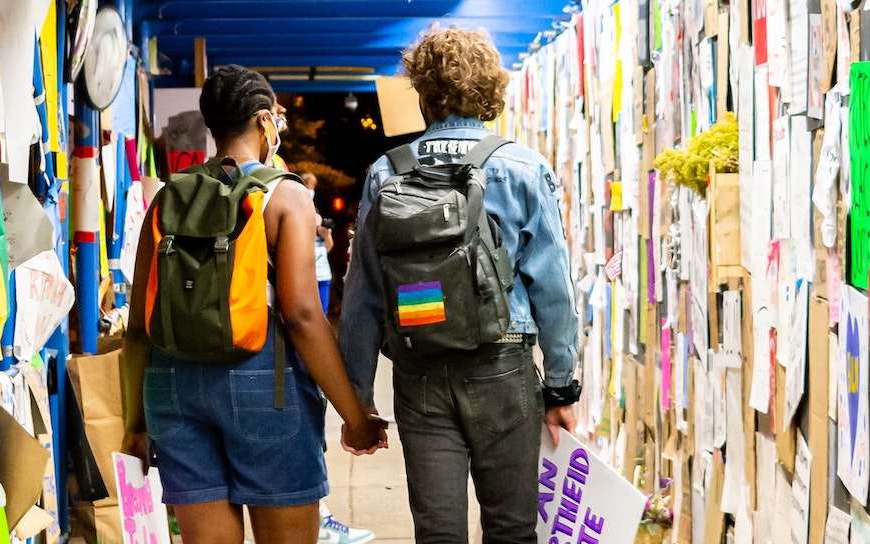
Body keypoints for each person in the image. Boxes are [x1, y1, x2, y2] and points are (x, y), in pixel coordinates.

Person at [121, 64, 387, 544]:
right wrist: (354, 416)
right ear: (264, 121)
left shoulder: (165, 200)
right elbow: (303, 316)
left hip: (172, 390)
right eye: (279, 121)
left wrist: (135, 425)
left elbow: (139, 325)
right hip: (264, 386)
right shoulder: (285, 197)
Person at [339, 26, 582, 543]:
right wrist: (561, 383)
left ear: (423, 92)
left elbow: (364, 293)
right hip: (503, 367)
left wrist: (357, 400)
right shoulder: (522, 166)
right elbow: (553, 288)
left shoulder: (387, 172)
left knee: (438, 532)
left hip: (419, 369)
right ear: (491, 91)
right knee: (512, 529)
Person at [296, 171, 336, 315]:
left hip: (323, 273)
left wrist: (326, 236)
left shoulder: (317, 212)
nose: (310, 190)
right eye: (308, 186)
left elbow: (328, 247)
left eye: (312, 187)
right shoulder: (294, 212)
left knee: (322, 313)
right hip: (304, 274)